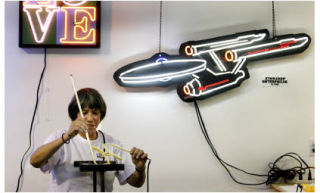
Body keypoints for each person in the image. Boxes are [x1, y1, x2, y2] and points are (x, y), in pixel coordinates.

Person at [30, 88, 148, 192]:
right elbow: (35, 161)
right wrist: (65, 137)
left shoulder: (112, 144)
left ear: (101, 116)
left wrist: (140, 168)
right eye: (84, 113)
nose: (90, 118)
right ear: (75, 114)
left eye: (95, 113)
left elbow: (136, 182)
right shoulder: (59, 138)